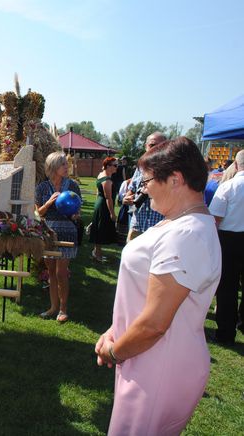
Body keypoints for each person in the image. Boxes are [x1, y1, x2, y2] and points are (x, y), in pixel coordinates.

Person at [95, 137, 221, 435]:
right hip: (146, 356)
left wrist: (114, 352)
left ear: (175, 179)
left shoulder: (187, 235)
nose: (143, 187)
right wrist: (115, 330)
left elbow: (154, 323)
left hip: (158, 364)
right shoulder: (180, 224)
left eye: (149, 179)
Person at [35, 151, 82, 323]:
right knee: (51, 273)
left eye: (66, 164)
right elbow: (38, 213)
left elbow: (78, 210)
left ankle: (63, 309)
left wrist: (76, 215)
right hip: (48, 232)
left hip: (68, 232)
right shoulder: (41, 187)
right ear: (53, 167)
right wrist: (49, 203)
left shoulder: (73, 186)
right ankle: (53, 307)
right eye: (63, 164)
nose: (66, 167)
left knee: (61, 272)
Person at [209, 149, 244, 345]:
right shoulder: (228, 187)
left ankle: (225, 333)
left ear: (237, 165)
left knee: (227, 288)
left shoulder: (228, 186)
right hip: (232, 237)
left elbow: (215, 219)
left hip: (229, 240)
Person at [122, 132, 167, 241]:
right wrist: (127, 198)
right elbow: (131, 190)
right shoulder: (140, 168)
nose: (155, 149)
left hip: (159, 227)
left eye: (159, 145)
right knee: (132, 257)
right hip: (137, 225)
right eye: (152, 145)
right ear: (145, 147)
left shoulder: (170, 169)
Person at [89, 157, 117, 261]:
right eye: (114, 165)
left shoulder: (100, 175)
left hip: (99, 204)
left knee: (99, 228)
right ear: (108, 166)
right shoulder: (107, 180)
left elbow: (97, 193)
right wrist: (112, 213)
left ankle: (97, 253)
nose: (116, 167)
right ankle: (97, 254)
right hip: (104, 206)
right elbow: (108, 198)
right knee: (101, 229)